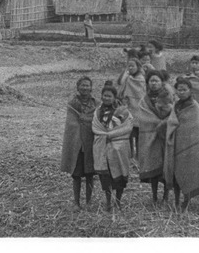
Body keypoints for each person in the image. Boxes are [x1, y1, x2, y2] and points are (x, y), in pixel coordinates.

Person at [164, 77, 199, 212]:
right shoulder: (176, 105)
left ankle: (186, 200)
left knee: (188, 172)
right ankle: (177, 200)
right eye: (179, 90)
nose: (181, 92)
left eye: (184, 90)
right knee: (176, 172)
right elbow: (172, 121)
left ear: (190, 91)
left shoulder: (194, 106)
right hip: (176, 144)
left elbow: (192, 127)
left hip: (189, 145)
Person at [92, 80, 133, 211]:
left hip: (118, 149)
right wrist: (105, 134)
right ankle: (108, 202)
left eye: (109, 96)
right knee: (106, 177)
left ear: (115, 97)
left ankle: (118, 202)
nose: (106, 98)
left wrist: (111, 134)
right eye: (104, 95)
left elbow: (127, 127)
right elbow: (95, 127)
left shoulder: (123, 112)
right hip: (103, 148)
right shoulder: (97, 112)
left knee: (120, 176)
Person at [60, 76, 98, 210]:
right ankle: (76, 202)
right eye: (82, 85)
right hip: (77, 144)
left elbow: (97, 120)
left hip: (90, 143)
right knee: (76, 175)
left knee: (90, 174)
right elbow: (71, 124)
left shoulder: (95, 103)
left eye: (87, 85)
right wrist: (83, 121)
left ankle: (88, 202)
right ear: (78, 87)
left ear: (91, 88)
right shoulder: (72, 104)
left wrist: (87, 120)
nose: (85, 88)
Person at [138, 76, 174, 207]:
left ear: (161, 82)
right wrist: (156, 123)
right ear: (147, 83)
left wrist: (164, 123)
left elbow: (174, 114)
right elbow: (144, 117)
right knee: (153, 167)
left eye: (156, 81)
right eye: (151, 81)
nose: (154, 83)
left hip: (166, 136)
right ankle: (154, 196)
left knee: (166, 167)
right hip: (151, 138)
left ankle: (165, 196)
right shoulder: (144, 100)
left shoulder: (169, 95)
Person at [117, 57, 147, 160]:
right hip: (129, 112)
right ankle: (129, 159)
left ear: (138, 67)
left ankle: (139, 160)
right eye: (128, 66)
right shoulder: (128, 79)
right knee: (128, 137)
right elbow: (120, 85)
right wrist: (125, 73)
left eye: (132, 66)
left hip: (140, 112)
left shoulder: (142, 79)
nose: (130, 68)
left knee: (140, 139)